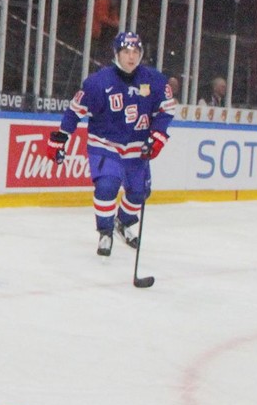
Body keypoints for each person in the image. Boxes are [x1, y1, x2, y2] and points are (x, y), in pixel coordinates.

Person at [49, 30, 175, 256]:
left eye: (136, 51)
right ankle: (105, 231)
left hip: (137, 146)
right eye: (126, 51)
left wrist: (157, 136)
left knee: (139, 192)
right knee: (107, 185)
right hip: (105, 144)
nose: (131, 56)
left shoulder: (154, 80)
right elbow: (74, 112)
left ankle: (123, 223)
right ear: (117, 53)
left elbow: (167, 109)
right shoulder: (98, 83)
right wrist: (61, 138)